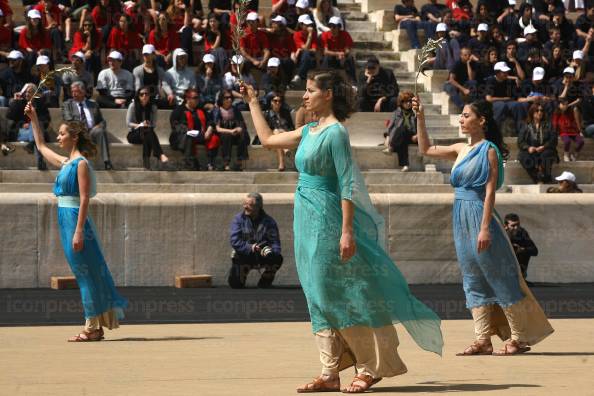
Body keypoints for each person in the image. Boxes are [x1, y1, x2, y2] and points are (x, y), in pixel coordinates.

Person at [241, 70, 442, 393]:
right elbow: (266, 141)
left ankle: (369, 366)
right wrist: (252, 102)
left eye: (310, 90)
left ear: (328, 94)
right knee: (317, 292)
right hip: (305, 216)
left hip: (329, 217)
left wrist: (347, 231)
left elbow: (347, 182)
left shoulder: (335, 133)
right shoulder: (308, 130)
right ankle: (330, 371)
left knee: (346, 290)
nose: (304, 96)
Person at [413, 95, 553, 356]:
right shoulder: (460, 148)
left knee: (500, 276)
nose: (462, 119)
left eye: (467, 115)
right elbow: (425, 149)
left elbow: (490, 192)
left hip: (480, 215)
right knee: (472, 277)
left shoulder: (489, 149)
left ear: (482, 120)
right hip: (460, 216)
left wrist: (485, 227)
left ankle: (519, 337)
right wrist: (420, 118)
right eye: (462, 115)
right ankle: (482, 339)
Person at [24, 102, 128, 342]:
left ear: (73, 138)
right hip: (66, 220)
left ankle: (91, 327)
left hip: (74, 221)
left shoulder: (80, 164)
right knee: (85, 273)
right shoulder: (66, 162)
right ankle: (95, 325)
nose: (58, 137)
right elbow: (40, 146)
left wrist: (79, 231)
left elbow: (84, 199)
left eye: (61, 134)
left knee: (84, 274)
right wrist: (34, 119)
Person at [228, 193, 284, 288]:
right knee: (235, 285)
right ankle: (240, 277)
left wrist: (271, 252)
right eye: (244, 203)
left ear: (259, 207)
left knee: (277, 258)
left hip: (262, 256)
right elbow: (235, 241)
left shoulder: (269, 222)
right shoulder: (238, 220)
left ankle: (265, 282)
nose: (245, 207)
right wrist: (251, 247)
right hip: (243, 255)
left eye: (250, 205)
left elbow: (275, 243)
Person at [62, 81, 113, 170]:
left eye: (76, 91)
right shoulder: (67, 104)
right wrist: (82, 129)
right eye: (72, 91)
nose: (73, 94)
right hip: (78, 132)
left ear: (83, 92)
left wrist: (99, 126)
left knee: (101, 131)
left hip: (93, 131)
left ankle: (107, 161)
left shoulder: (93, 104)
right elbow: (68, 120)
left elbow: (102, 121)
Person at [169, 88, 219, 170]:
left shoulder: (200, 109)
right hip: (182, 138)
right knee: (190, 135)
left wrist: (209, 129)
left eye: (197, 98)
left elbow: (210, 121)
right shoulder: (179, 110)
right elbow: (176, 126)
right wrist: (196, 133)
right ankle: (188, 162)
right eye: (194, 98)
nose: (197, 100)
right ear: (187, 99)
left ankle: (211, 162)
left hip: (201, 135)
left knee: (214, 138)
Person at [7, 83, 50, 170]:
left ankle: (32, 144)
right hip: (22, 132)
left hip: (37, 131)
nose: (27, 94)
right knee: (34, 132)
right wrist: (15, 101)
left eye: (30, 92)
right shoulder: (20, 103)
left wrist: (35, 122)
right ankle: (40, 158)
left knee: (34, 124)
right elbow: (10, 116)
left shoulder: (41, 104)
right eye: (26, 92)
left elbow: (46, 119)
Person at [126, 87, 169, 170]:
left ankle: (146, 164)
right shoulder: (133, 106)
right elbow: (128, 123)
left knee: (147, 134)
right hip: (134, 134)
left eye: (146, 94)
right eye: (141, 94)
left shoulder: (153, 107)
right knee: (148, 132)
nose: (144, 96)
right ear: (138, 96)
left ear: (149, 96)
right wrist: (140, 125)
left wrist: (148, 125)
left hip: (147, 132)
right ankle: (160, 154)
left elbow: (154, 124)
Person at [517, 103, 558, 183]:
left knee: (546, 155)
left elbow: (554, 140)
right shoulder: (526, 125)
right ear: (532, 112)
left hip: (546, 150)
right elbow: (520, 141)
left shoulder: (548, 125)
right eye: (537, 110)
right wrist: (528, 147)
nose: (540, 112)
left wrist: (544, 147)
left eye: (541, 110)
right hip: (532, 151)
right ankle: (537, 177)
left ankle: (545, 177)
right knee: (522, 155)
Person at [213, 89, 250, 171]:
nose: (229, 99)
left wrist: (239, 128)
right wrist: (230, 131)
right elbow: (218, 128)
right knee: (226, 136)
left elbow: (241, 123)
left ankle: (239, 161)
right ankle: (226, 162)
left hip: (234, 132)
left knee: (242, 135)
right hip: (223, 133)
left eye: (230, 97)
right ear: (221, 99)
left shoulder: (235, 109)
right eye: (226, 98)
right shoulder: (218, 110)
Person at [384, 91, 418, 172]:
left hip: (413, 136)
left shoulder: (415, 113)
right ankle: (405, 165)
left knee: (402, 132)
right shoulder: (397, 113)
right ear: (401, 103)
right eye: (406, 102)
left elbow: (421, 127)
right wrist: (388, 137)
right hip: (401, 136)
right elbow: (391, 126)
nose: (408, 104)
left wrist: (417, 135)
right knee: (402, 136)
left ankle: (391, 147)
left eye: (410, 101)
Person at [262, 93, 295, 171]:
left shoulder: (286, 113)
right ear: (271, 102)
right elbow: (265, 130)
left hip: (285, 135)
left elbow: (291, 127)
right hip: (272, 137)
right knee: (276, 131)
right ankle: (285, 152)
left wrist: (283, 131)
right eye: (275, 101)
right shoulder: (267, 114)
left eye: (279, 101)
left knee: (278, 132)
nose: (278, 103)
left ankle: (281, 163)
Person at [504, 213, 538, 285]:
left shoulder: (522, 233)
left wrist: (522, 249)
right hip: (504, 262)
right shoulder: (501, 233)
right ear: (506, 226)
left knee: (526, 252)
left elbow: (535, 251)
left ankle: (520, 279)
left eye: (518, 225)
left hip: (518, 262)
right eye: (513, 226)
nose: (516, 228)